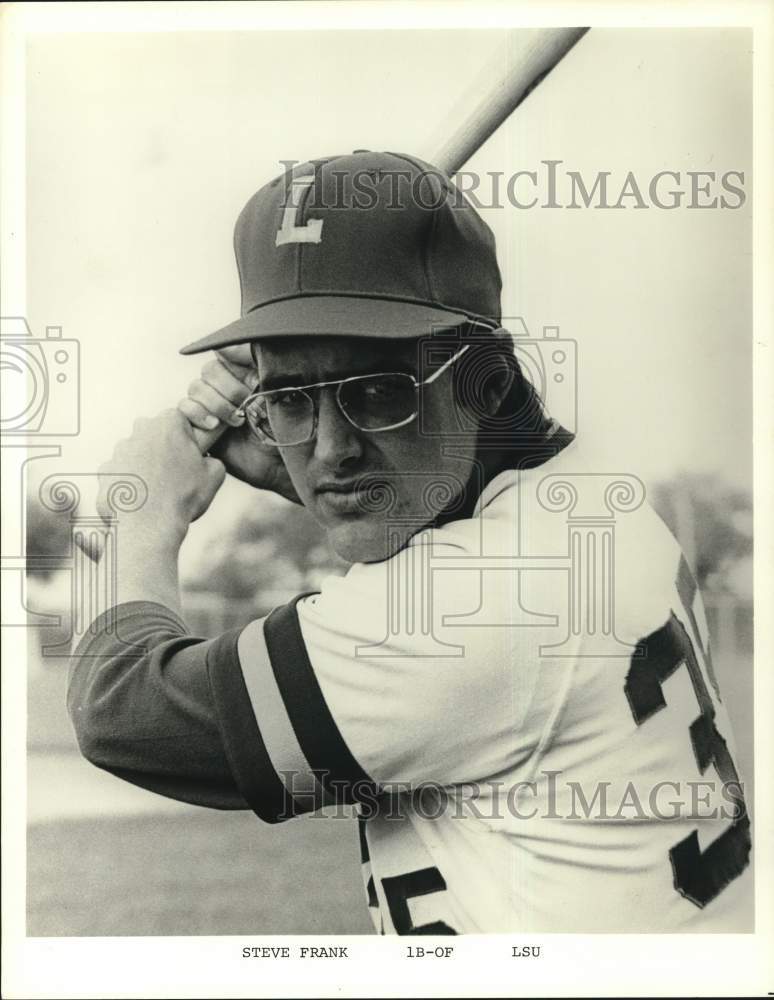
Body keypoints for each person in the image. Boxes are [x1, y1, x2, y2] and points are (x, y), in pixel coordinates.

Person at [68, 151, 751, 933]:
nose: (329, 449)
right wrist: (319, 470)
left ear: (487, 382)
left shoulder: (469, 606)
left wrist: (145, 519)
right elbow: (433, 513)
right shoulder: (585, 500)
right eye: (290, 402)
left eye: (379, 391)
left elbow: (125, 712)